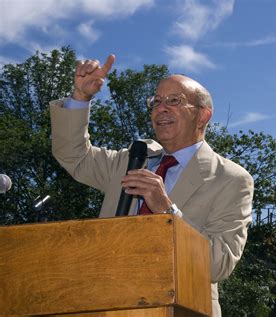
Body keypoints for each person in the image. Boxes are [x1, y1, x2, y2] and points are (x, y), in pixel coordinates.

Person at [50, 54, 254, 316]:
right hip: (106, 303)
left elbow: (219, 264)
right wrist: (80, 97)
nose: (161, 108)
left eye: (175, 101)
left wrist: (168, 212)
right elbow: (73, 156)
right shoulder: (131, 159)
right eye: (156, 101)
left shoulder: (231, 179)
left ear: (203, 116)